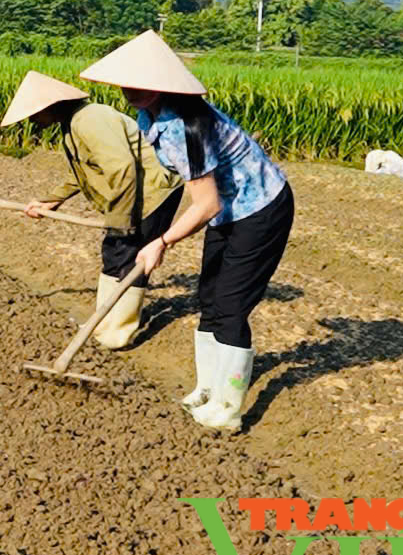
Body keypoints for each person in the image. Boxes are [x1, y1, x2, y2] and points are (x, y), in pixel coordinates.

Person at [79, 31, 295, 430]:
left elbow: (206, 202)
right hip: (227, 210)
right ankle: (207, 389)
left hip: (260, 209)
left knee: (231, 306)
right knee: (208, 297)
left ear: (163, 85)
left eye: (142, 83)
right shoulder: (150, 117)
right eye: (127, 82)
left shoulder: (182, 126)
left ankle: (228, 408)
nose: (132, 90)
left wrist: (162, 241)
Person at [2, 70, 183, 349]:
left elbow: (122, 169)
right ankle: (103, 322)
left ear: (49, 106)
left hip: (153, 194)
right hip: (135, 194)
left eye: (33, 114)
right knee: (114, 253)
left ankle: (117, 333)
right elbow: (85, 172)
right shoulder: (72, 125)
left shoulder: (90, 119)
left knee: (130, 258)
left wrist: (120, 221)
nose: (32, 121)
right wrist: (52, 200)